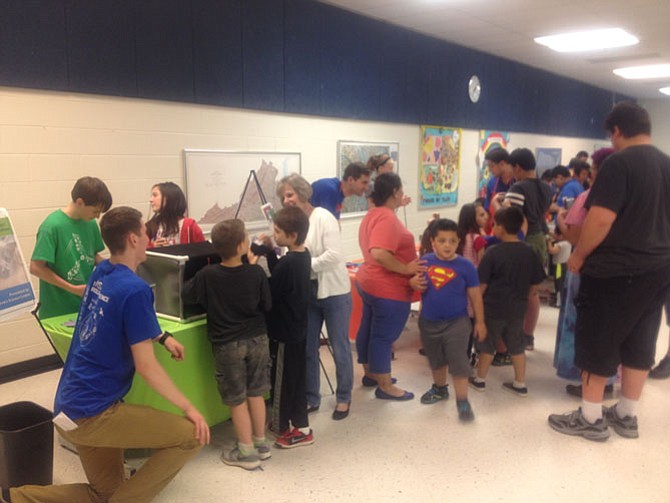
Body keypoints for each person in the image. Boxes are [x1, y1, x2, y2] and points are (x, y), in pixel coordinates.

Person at [8, 207, 210, 503]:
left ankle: (14, 497)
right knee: (190, 435)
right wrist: (190, 408)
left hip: (67, 407)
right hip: (95, 415)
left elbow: (113, 316)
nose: (147, 236)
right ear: (132, 238)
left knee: (105, 493)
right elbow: (146, 367)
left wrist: (162, 336)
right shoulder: (136, 290)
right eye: (144, 231)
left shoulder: (101, 272)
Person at [548, 101, 670, 442]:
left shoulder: (618, 164)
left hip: (615, 270)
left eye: (611, 135)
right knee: (640, 342)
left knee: (598, 340)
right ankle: (627, 415)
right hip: (659, 268)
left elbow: (601, 218)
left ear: (617, 130)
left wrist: (581, 254)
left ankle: (590, 417)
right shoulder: (666, 163)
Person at [182, 219, 272, 469]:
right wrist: (252, 268)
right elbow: (267, 304)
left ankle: (245, 451)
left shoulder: (208, 275)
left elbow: (187, 294)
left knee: (236, 398)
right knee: (256, 392)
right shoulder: (256, 272)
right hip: (258, 339)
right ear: (243, 244)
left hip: (227, 343)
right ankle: (261, 443)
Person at [276, 174, 354, 420]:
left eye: (290, 194)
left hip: (334, 293)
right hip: (307, 294)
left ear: (302, 193)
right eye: (283, 197)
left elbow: (334, 255)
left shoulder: (323, 217)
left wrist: (303, 265)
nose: (286, 200)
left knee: (339, 347)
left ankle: (343, 398)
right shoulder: (292, 223)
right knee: (308, 348)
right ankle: (311, 396)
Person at [355, 172, 425, 400]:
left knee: (369, 329)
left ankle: (371, 374)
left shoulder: (373, 213)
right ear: (394, 192)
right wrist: (406, 269)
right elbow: (379, 252)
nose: (402, 195)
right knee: (383, 337)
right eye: (401, 191)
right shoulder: (387, 218)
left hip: (368, 283)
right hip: (387, 289)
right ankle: (385, 386)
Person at [553, 147, 615, 396]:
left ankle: (587, 382)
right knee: (609, 327)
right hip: (619, 272)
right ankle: (608, 379)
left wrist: (560, 219)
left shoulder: (590, 197)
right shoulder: (631, 197)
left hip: (586, 268)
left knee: (581, 325)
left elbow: (575, 235)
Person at [411, 219, 485, 421]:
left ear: (458, 242)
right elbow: (413, 282)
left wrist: (480, 322)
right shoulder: (425, 261)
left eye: (452, 241)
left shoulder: (466, 266)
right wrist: (413, 282)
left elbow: (476, 295)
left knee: (459, 361)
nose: (447, 245)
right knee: (436, 360)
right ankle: (440, 389)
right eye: (442, 240)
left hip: (457, 323)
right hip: (428, 322)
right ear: (433, 241)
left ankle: (462, 401)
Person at [469, 207, 545, 397]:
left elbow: (482, 286)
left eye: (494, 224)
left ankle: (480, 380)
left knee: (487, 344)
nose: (493, 227)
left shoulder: (493, 253)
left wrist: (476, 309)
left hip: (493, 308)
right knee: (517, 345)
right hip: (518, 309)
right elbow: (535, 285)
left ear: (500, 228)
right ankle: (520, 383)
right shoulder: (530, 251)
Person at [264, 206, 314, 448]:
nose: (274, 235)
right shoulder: (303, 256)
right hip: (297, 330)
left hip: (285, 332)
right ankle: (290, 423)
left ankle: (291, 426)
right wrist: (270, 253)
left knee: (283, 381)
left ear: (292, 236)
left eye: (277, 231)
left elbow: (270, 292)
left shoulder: (288, 264)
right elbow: (281, 276)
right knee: (293, 379)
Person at [30, 176, 112, 320]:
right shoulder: (51, 227)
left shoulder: (90, 223)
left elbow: (92, 255)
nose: (97, 216)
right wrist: (72, 289)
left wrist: (113, 267)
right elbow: (36, 268)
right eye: (95, 211)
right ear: (80, 202)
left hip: (84, 305)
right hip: (58, 310)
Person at [503, 148, 553, 351]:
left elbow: (511, 219)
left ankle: (513, 338)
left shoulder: (518, 188)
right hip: (541, 237)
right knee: (533, 292)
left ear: (517, 167)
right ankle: (528, 336)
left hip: (525, 240)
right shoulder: (546, 187)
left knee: (516, 292)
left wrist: (500, 204)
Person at [146, 181, 204, 248]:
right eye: (151, 196)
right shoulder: (150, 226)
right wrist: (153, 246)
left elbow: (203, 252)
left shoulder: (189, 226)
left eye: (155, 195)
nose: (151, 200)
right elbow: (140, 252)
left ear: (168, 198)